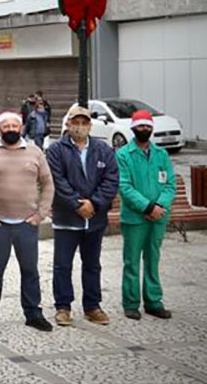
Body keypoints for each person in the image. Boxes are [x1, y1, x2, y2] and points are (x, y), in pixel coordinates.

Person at [0, 111, 55, 332]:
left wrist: (41, 214)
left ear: (21, 128)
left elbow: (48, 184)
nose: (10, 129)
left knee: (30, 270)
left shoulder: (35, 152)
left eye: (14, 125)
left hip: (26, 225)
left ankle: (33, 313)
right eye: (5, 126)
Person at [45, 105, 119, 327]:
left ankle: (92, 306)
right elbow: (57, 181)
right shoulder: (56, 150)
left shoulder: (103, 149)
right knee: (62, 265)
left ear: (90, 125)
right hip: (67, 218)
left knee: (92, 264)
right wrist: (77, 204)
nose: (79, 126)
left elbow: (111, 179)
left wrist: (94, 203)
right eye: (75, 122)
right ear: (67, 124)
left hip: (95, 219)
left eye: (84, 122)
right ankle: (63, 307)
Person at [116, 109, 176, 321]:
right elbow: (124, 186)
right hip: (135, 218)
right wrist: (148, 207)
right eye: (141, 125)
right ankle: (131, 303)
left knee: (153, 259)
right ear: (133, 128)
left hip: (158, 217)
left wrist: (159, 206)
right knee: (131, 261)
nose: (145, 129)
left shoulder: (161, 154)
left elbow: (170, 184)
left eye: (148, 126)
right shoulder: (123, 154)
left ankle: (153, 301)